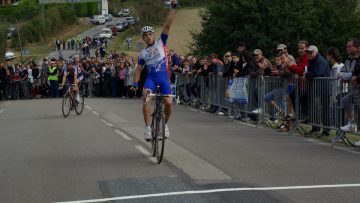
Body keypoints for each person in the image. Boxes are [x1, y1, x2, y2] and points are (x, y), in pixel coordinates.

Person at [132, 0, 177, 141]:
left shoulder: (161, 41)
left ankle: (165, 126)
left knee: (169, 103)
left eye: (150, 34)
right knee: (146, 100)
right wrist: (135, 84)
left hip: (163, 77)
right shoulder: (143, 53)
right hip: (151, 79)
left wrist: (173, 8)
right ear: (143, 38)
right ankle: (147, 128)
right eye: (145, 35)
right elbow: (138, 69)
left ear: (153, 34)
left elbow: (168, 24)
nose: (148, 36)